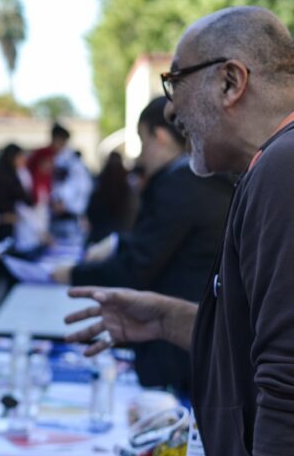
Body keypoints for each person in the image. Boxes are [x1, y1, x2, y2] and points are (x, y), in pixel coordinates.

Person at [65, 6, 294, 456]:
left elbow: (288, 388)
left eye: (176, 82)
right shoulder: (270, 167)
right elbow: (265, 348)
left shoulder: (283, 167)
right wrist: (170, 320)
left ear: (229, 81)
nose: (170, 110)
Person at [53, 97, 233, 395]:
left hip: (179, 345)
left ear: (159, 136)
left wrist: (75, 275)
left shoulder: (181, 185)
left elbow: (141, 263)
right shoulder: (200, 182)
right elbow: (169, 240)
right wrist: (118, 242)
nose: (139, 154)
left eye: (141, 139)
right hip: (193, 335)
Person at [85, 151, 136, 244]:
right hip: (119, 238)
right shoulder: (127, 185)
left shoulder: (100, 183)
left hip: (99, 236)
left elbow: (90, 211)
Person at [26, 122, 70, 203]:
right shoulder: (45, 154)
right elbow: (39, 180)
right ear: (56, 140)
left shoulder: (54, 155)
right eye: (62, 143)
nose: (63, 146)